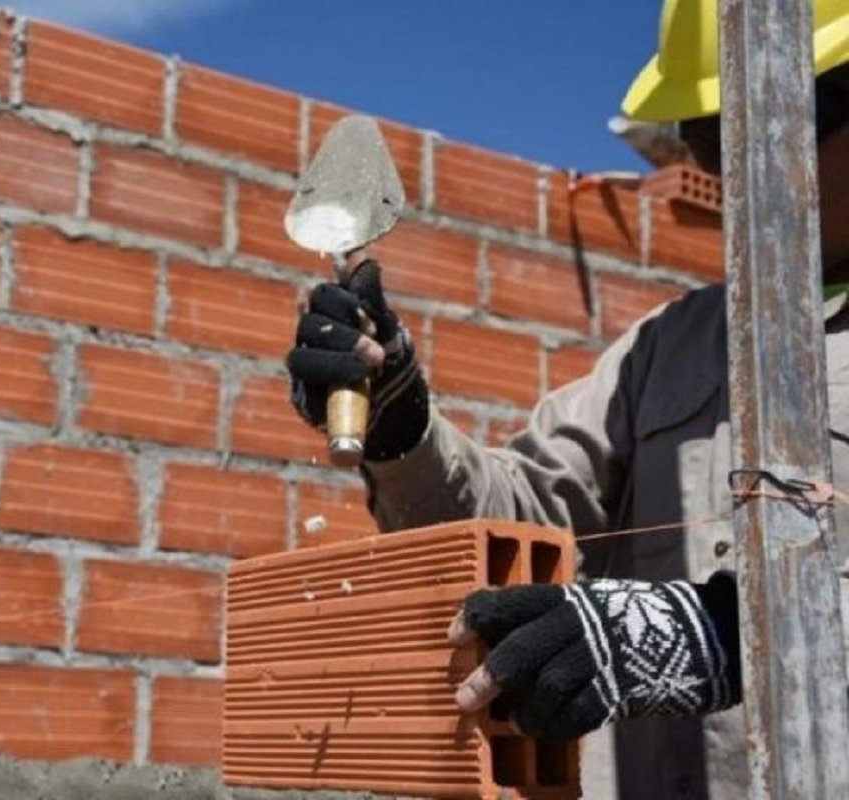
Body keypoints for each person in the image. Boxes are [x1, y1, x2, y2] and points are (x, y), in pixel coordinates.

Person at [285, 1, 849, 798]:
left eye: (766, 126)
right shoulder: (674, 345)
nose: (732, 174)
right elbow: (522, 522)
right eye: (709, 138)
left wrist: (738, 636)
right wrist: (399, 425)